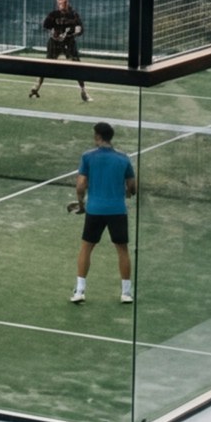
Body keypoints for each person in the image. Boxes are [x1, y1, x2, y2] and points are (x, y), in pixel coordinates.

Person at [69, 120, 135, 304]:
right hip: (117, 211)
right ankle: (126, 293)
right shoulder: (123, 158)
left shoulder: (88, 157)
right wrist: (128, 193)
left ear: (97, 136)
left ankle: (80, 291)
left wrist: (81, 204)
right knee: (122, 250)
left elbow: (81, 185)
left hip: (95, 210)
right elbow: (132, 186)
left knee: (86, 248)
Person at [31, 0, 88, 103]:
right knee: (47, 64)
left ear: (68, 3)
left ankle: (83, 91)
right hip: (54, 43)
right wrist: (53, 32)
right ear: (58, 4)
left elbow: (80, 29)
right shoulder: (53, 15)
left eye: (65, 3)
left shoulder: (74, 15)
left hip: (69, 43)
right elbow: (45, 26)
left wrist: (75, 32)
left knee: (77, 65)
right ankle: (35, 88)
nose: (62, 5)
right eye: (60, 3)